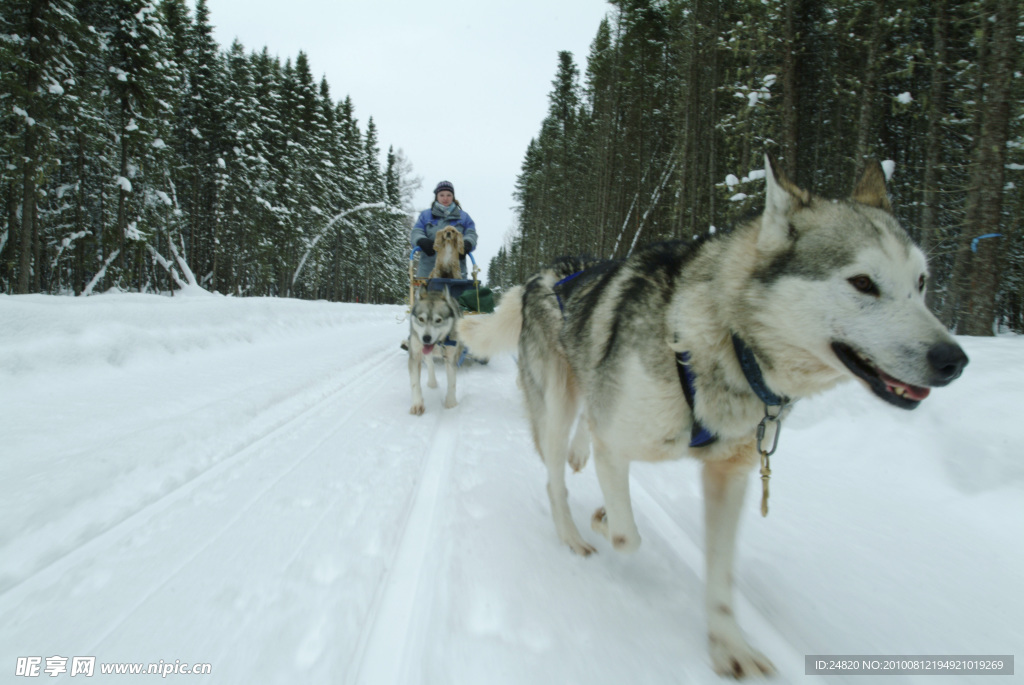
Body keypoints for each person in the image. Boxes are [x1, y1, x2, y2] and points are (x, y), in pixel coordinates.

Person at [411, 180, 477, 279]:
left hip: (456, 272)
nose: (445, 198)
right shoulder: (426, 215)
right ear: (437, 196)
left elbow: (471, 233)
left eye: (448, 195)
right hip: (428, 270)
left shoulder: (463, 217)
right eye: (442, 195)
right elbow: (417, 231)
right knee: (428, 294)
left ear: (453, 197)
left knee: (456, 294)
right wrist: (421, 240)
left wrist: (467, 243)